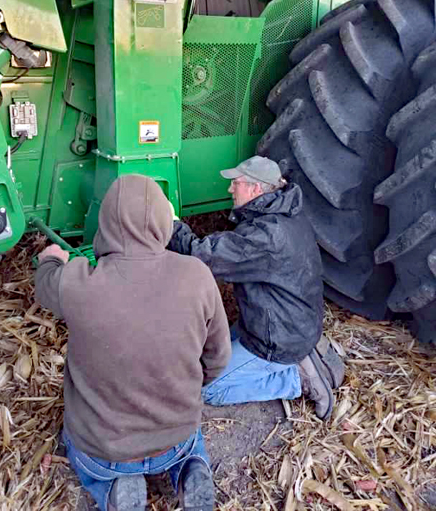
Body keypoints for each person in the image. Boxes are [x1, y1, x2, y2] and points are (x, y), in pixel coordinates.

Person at [35, 175, 231, 511]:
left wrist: (51, 257)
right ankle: (190, 469)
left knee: (76, 441)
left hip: (105, 451)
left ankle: (114, 488)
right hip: (175, 439)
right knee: (189, 439)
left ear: (105, 224)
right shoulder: (197, 275)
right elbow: (218, 358)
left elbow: (44, 284)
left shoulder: (78, 282)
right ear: (161, 220)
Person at [169, 155, 344, 420]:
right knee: (211, 355)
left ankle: (297, 378)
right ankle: (305, 353)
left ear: (256, 189)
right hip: (288, 321)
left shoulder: (267, 236)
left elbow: (202, 255)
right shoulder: (284, 213)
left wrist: (171, 224)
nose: (229, 189)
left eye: (235, 183)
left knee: (210, 389)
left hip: (277, 338)